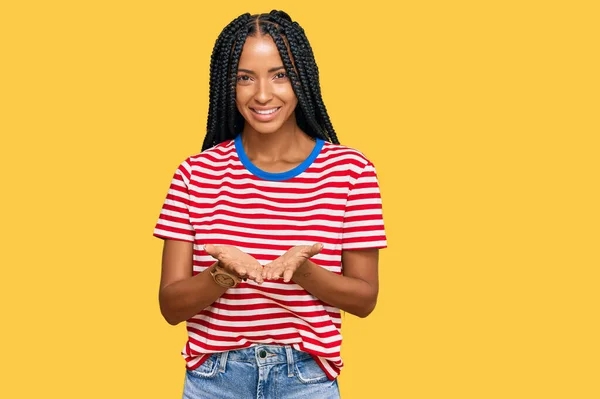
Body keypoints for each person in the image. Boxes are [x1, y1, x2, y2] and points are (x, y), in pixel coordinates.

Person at [153, 10, 387, 399]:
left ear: (302, 79)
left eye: (279, 74)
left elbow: (365, 300)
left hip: (307, 381)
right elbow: (170, 306)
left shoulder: (350, 171)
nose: (263, 94)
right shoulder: (195, 174)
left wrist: (302, 271)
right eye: (245, 77)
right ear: (228, 84)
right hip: (215, 381)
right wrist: (222, 275)